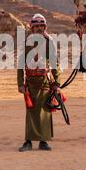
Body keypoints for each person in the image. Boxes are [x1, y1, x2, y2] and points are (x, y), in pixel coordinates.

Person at [17, 14, 61, 152]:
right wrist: (20, 84)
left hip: (45, 82)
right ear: (32, 28)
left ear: (44, 27)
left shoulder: (50, 42)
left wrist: (57, 83)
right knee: (31, 112)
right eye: (36, 26)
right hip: (30, 83)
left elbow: (55, 63)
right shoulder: (26, 42)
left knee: (45, 111)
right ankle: (28, 142)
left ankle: (43, 141)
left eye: (41, 26)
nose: (39, 29)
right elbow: (20, 64)